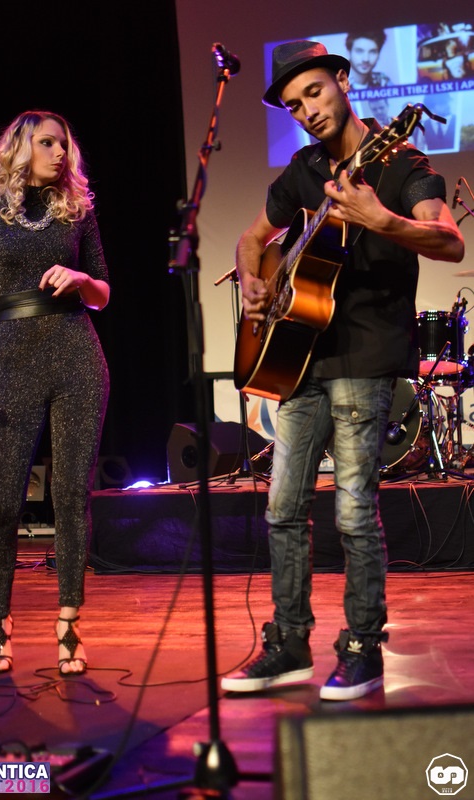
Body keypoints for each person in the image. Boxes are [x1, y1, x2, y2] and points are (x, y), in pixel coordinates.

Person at [222, 41, 464, 700]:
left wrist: (381, 220)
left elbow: (450, 240)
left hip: (365, 356)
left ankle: (362, 647)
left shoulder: (403, 162)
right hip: (300, 359)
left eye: (314, 92)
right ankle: (289, 644)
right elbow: (251, 238)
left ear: (343, 80)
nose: (307, 110)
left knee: (355, 512)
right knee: (282, 508)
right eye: (293, 105)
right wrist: (254, 280)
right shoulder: (302, 171)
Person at [0, 110, 111, 676]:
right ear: (20, 148)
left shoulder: (77, 212)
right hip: (11, 356)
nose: (60, 153)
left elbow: (103, 293)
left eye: (64, 144)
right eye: (47, 143)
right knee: (0, 501)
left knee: (70, 494)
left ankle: (68, 622)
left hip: (77, 354)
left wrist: (81, 280)